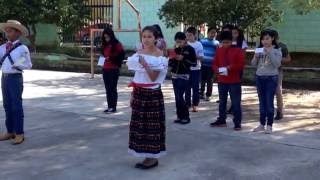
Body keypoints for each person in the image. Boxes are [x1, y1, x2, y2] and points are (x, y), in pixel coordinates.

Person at [127, 26, 168, 169]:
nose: (146, 39)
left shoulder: (159, 56)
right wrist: (133, 93)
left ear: (155, 38)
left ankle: (152, 158)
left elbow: (153, 78)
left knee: (152, 127)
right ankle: (145, 156)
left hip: (152, 95)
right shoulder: (138, 53)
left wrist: (145, 64)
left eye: (149, 36)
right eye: (144, 36)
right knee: (140, 126)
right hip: (139, 93)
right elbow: (137, 75)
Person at [0, 20, 32, 145]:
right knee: (7, 105)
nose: (7, 33)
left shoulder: (22, 48)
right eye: (6, 31)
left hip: (15, 78)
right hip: (4, 78)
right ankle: (10, 131)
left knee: (16, 106)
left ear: (18, 33)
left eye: (10, 30)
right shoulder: (2, 47)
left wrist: (16, 65)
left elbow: (28, 64)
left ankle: (19, 133)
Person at [210, 31, 245, 131]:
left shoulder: (238, 50)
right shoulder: (219, 50)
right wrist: (216, 69)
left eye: (227, 42)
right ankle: (221, 120)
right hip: (222, 80)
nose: (225, 44)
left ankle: (237, 123)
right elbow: (214, 63)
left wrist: (229, 68)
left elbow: (241, 64)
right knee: (222, 102)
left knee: (236, 103)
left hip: (234, 81)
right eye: (223, 42)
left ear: (231, 41)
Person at [252, 29, 282, 134]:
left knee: (269, 102)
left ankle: (269, 125)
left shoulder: (277, 50)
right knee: (261, 102)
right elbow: (253, 64)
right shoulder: (259, 49)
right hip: (259, 77)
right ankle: (261, 124)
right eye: (263, 39)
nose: (264, 41)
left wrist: (270, 53)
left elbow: (277, 64)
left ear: (272, 39)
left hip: (271, 78)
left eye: (267, 38)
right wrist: (255, 57)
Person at [169, 32, 197, 125]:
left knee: (180, 96)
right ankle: (179, 116)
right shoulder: (176, 50)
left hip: (184, 76)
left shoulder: (190, 49)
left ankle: (186, 117)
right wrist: (172, 59)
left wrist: (183, 58)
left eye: (180, 41)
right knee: (177, 97)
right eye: (177, 42)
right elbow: (170, 63)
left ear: (185, 40)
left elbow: (194, 63)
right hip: (174, 76)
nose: (178, 43)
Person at [101, 28, 125, 114]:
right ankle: (109, 106)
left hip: (113, 69)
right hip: (105, 69)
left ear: (111, 35)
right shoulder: (105, 44)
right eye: (105, 37)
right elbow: (103, 54)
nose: (106, 39)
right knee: (107, 89)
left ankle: (113, 107)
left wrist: (111, 58)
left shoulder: (117, 44)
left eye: (108, 37)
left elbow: (121, 55)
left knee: (112, 88)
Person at [273, 30, 291, 120]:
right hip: (265, 71)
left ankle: (280, 112)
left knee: (278, 91)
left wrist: (277, 59)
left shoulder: (282, 46)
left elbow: (288, 59)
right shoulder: (264, 46)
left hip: (277, 71)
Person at [185, 27, 204, 112]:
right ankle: (187, 104)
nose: (188, 37)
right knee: (187, 87)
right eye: (187, 35)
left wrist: (193, 56)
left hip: (196, 69)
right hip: (186, 69)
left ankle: (195, 104)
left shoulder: (198, 44)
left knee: (196, 88)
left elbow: (201, 57)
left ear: (195, 35)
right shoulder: (185, 44)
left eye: (190, 35)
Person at [200, 27, 220, 101]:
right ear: (208, 33)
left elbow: (218, 54)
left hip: (211, 65)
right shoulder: (202, 41)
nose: (213, 34)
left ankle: (208, 95)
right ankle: (201, 93)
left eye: (214, 32)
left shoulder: (217, 43)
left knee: (210, 80)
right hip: (203, 64)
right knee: (202, 79)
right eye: (211, 32)